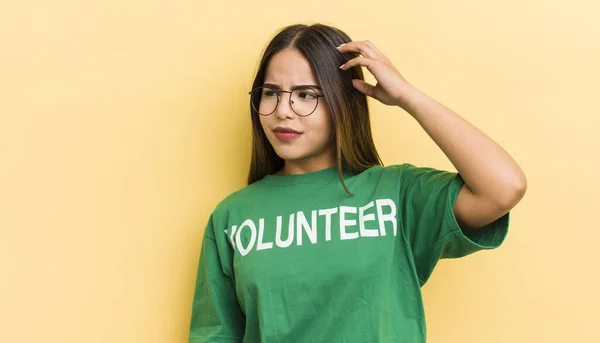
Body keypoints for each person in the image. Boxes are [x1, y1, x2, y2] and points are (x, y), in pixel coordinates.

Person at [188, 23, 527, 343]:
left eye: (306, 95)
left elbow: (504, 187)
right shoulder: (233, 216)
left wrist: (408, 96)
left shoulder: (396, 194)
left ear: (342, 102)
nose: (283, 111)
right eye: (271, 93)